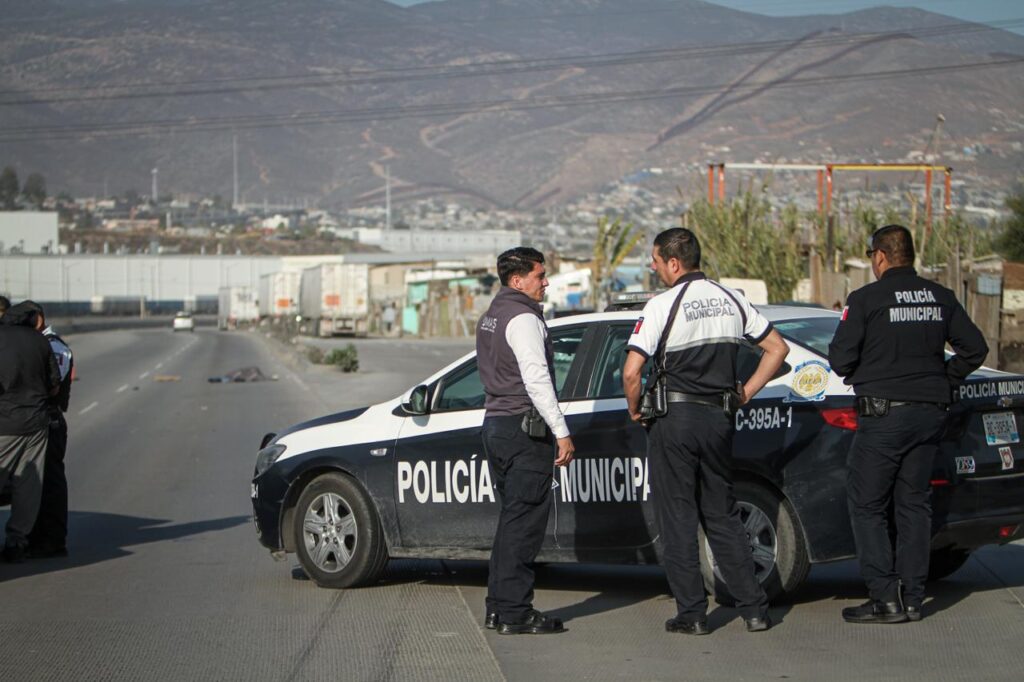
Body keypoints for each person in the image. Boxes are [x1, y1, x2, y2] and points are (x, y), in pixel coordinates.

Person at [623, 228, 789, 635]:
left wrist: (635, 411)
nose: (653, 266)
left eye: (656, 260)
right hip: (718, 420)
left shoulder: (663, 305)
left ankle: (693, 614)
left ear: (674, 263)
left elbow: (631, 371)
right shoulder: (731, 298)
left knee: (678, 517)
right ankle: (754, 609)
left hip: (674, 422)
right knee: (722, 514)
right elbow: (778, 349)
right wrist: (745, 392)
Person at [828, 224, 988, 624]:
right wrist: (943, 380)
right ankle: (914, 599)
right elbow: (976, 349)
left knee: (867, 505)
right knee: (914, 504)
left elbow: (840, 360)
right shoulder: (940, 297)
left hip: (884, 416)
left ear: (880, 256)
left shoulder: (866, 299)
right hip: (930, 414)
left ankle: (885, 598)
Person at [476, 246, 574, 635]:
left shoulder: (493, 314)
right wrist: (562, 430)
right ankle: (516, 612)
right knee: (524, 526)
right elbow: (537, 380)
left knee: (511, 523)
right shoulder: (523, 318)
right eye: (540, 275)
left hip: (497, 426)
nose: (546, 282)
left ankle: (499, 608)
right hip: (524, 429)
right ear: (518, 281)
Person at [0, 302, 61, 562]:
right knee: (28, 487)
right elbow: (54, 386)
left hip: (5, 423)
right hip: (36, 424)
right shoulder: (41, 342)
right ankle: (16, 543)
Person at [17, 302, 73, 558]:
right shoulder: (36, 344)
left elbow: (50, 384)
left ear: (37, 320)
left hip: (49, 420)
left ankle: (52, 540)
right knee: (32, 482)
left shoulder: (54, 345)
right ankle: (35, 536)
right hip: (35, 419)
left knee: (49, 482)